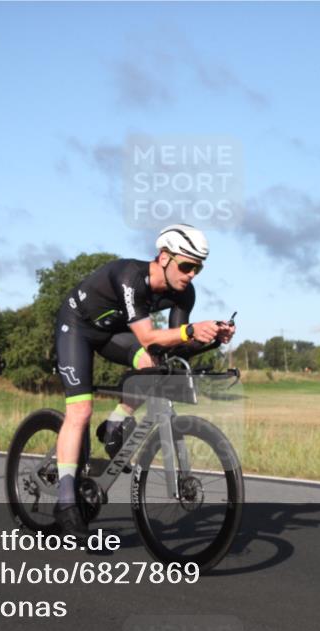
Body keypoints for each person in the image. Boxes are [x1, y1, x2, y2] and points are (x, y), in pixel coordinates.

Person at [52, 224, 236, 538]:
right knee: (80, 411)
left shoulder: (184, 293)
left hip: (113, 334)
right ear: (164, 257)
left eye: (198, 268)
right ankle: (66, 500)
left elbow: (174, 346)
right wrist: (191, 330)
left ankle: (114, 423)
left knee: (157, 368)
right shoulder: (130, 277)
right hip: (77, 328)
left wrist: (212, 339)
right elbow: (149, 335)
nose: (192, 274)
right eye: (187, 265)